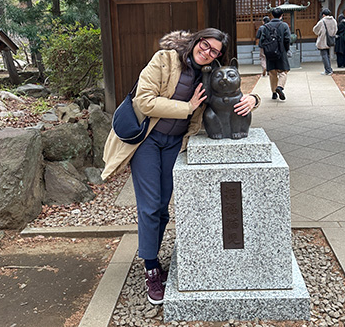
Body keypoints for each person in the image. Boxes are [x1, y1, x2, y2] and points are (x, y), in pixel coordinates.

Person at [101, 29, 260, 305]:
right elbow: (144, 101)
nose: (207, 52)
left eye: (214, 51)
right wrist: (187, 108)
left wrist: (254, 100)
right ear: (197, 40)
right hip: (147, 140)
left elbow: (230, 94)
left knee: (163, 206)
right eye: (205, 45)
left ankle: (153, 254)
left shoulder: (208, 73)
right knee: (150, 205)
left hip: (175, 142)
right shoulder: (164, 59)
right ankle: (151, 267)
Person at [263, 7, 291, 101]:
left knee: (272, 72)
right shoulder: (284, 25)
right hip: (281, 51)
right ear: (281, 15)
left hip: (270, 52)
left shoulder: (266, 26)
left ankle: (274, 93)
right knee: (284, 71)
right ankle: (280, 87)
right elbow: (287, 39)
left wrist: (267, 50)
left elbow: (262, 40)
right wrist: (286, 49)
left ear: (272, 15)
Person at [313, 8, 338, 75]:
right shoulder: (334, 21)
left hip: (323, 40)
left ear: (323, 15)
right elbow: (336, 30)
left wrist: (320, 33)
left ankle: (328, 70)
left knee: (324, 55)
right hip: (330, 40)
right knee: (328, 55)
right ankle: (328, 69)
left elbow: (315, 29)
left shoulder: (322, 21)